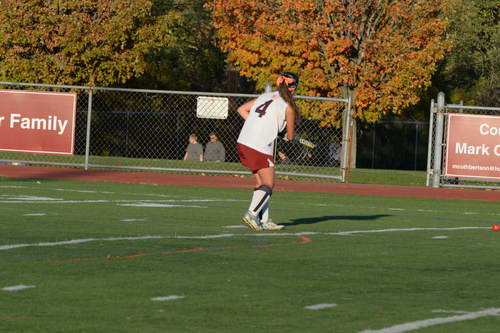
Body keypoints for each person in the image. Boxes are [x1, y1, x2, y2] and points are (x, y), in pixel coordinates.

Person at [236, 72, 300, 231]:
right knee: (268, 184)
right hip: (259, 145)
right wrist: (283, 134)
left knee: (260, 183)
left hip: (243, 141)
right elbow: (290, 136)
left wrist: (262, 124)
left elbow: (242, 110)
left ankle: (263, 221)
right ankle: (251, 214)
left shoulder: (265, 96)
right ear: (293, 88)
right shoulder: (289, 106)